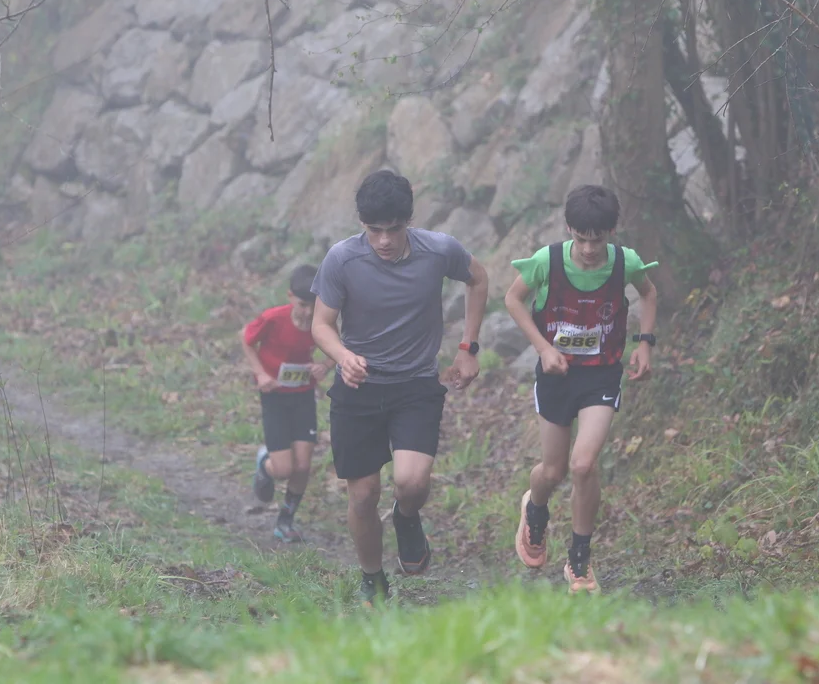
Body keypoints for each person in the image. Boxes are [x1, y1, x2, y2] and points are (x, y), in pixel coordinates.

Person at [310, 169, 488, 606]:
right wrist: (343, 357)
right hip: (359, 387)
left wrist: (468, 348)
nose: (384, 240)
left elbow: (478, 279)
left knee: (411, 483)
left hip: (415, 384)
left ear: (409, 220)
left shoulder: (438, 250)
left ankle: (406, 517)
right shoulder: (342, 259)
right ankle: (372, 579)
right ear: (362, 223)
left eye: (393, 229)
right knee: (363, 494)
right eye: (375, 230)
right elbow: (321, 325)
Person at [503, 184, 658, 594]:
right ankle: (535, 509)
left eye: (598, 240)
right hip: (556, 376)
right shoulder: (547, 261)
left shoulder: (625, 263)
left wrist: (645, 343)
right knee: (552, 471)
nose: (589, 249)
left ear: (612, 232)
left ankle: (579, 560)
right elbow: (513, 300)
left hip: (601, 375)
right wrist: (543, 348)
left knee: (584, 465)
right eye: (581, 238)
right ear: (569, 229)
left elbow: (649, 293)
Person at [242, 264, 335, 543]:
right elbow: (247, 340)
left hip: (303, 396)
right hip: (274, 396)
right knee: (283, 470)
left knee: (303, 466)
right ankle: (264, 464)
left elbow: (337, 346)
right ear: (290, 296)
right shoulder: (273, 318)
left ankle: (285, 520)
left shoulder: (322, 323)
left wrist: (324, 366)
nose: (307, 312)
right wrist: (260, 374)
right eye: (303, 305)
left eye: (313, 306)